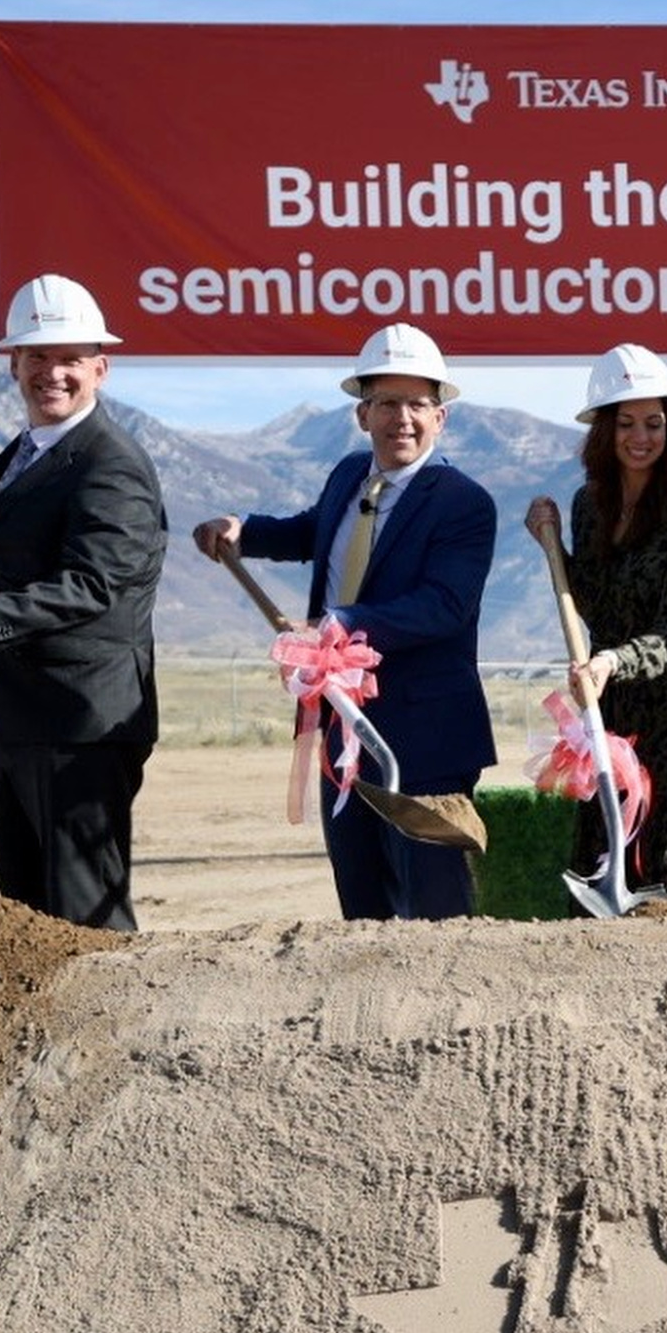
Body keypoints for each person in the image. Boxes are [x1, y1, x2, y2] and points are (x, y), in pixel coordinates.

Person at [191, 324, 496, 919]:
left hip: (427, 733)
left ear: (441, 418)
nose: (401, 418)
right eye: (387, 403)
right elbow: (314, 532)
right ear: (363, 414)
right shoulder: (348, 477)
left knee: (435, 909)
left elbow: (444, 605)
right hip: (342, 729)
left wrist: (340, 624)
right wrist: (245, 530)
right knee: (363, 904)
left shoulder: (464, 503)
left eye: (417, 404)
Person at [0, 273, 167, 930]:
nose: (52, 373)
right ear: (13, 364)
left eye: (70, 359)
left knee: (85, 919)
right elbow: (23, 523)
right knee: (29, 921)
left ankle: (112, 1031)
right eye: (38, 357)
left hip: (79, 726)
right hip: (13, 718)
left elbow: (94, 583)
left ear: (100, 369)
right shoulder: (34, 449)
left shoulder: (112, 465)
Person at [524, 344, 667, 908]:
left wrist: (611, 661)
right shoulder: (587, 506)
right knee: (612, 809)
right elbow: (598, 605)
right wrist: (554, 554)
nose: (641, 437)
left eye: (654, 423)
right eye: (626, 423)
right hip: (613, 696)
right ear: (604, 430)